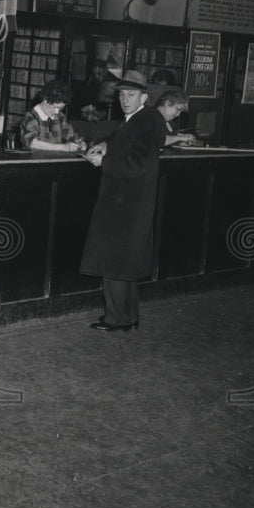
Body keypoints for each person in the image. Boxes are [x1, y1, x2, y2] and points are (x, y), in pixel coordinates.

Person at [79, 70, 167, 332]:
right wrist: (105, 146)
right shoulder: (140, 118)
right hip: (128, 202)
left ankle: (116, 319)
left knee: (113, 261)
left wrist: (103, 161)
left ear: (144, 97)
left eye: (131, 95)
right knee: (125, 263)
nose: (124, 99)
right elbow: (120, 139)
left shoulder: (146, 121)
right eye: (122, 95)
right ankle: (128, 316)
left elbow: (137, 163)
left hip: (126, 203)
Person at [20, 80, 87, 152]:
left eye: (60, 108)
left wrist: (80, 143)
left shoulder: (60, 116)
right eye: (55, 107)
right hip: (34, 161)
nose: (57, 111)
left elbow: (72, 136)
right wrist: (64, 147)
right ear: (45, 99)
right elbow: (32, 143)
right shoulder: (31, 116)